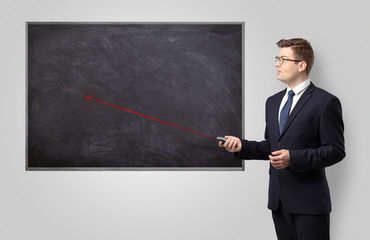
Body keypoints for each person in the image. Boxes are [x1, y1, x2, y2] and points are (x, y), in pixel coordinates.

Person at [219, 38, 345, 240]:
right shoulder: (273, 102)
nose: (277, 64)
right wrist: (241, 146)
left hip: (310, 204)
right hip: (279, 201)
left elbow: (335, 150)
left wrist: (293, 159)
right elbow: (272, 146)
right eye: (277, 58)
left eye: (283, 59)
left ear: (301, 65)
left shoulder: (326, 102)